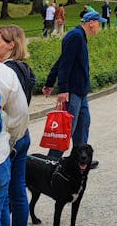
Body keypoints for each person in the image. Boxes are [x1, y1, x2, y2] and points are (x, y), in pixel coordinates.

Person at [0, 26, 35, 226]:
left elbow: (15, 112)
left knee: (11, 197)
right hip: (20, 136)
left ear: (11, 44)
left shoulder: (7, 69)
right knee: (16, 192)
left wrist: (7, 142)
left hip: (11, 139)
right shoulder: (21, 66)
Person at [42, 11, 105, 165]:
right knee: (66, 129)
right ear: (91, 22)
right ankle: (52, 163)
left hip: (81, 92)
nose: (99, 27)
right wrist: (62, 89)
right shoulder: (75, 36)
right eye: (99, 23)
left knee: (83, 125)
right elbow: (65, 63)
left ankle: (80, 160)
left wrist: (50, 82)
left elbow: (62, 60)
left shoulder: (80, 37)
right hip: (73, 92)